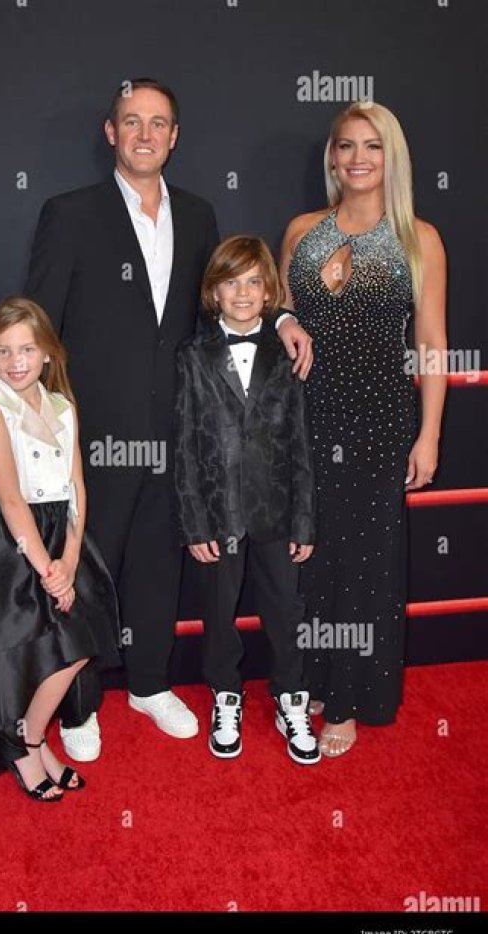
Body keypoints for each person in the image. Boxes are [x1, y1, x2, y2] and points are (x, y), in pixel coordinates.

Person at [26, 78, 313, 760]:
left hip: (180, 433)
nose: (145, 134)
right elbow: (40, 323)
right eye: (132, 121)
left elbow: (224, 299)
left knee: (158, 563)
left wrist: (281, 316)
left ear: (175, 136)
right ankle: (79, 704)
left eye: (158, 123)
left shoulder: (198, 213)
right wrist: (47, 424)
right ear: (111, 133)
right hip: (95, 433)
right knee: (87, 568)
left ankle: (150, 683)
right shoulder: (69, 213)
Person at [280, 101, 447, 756]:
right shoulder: (301, 231)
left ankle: (349, 699)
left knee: (364, 563)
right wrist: (284, 322)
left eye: (372, 146)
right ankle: (314, 680)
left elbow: (431, 345)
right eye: (346, 145)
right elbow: (277, 314)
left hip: (379, 421)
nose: (357, 158)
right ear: (332, 157)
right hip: (306, 417)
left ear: (391, 157)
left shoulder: (418, 240)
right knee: (312, 555)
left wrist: (429, 435)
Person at [0, 298, 121, 801]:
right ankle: (26, 744)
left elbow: (77, 486)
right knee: (40, 656)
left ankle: (30, 737)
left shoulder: (63, 406)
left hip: (64, 540)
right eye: (3, 351)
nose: (16, 361)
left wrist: (70, 557)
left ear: (47, 352)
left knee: (75, 650)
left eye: (26, 348)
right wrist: (48, 570)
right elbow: (10, 500)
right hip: (14, 544)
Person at [174, 236, 320, 764]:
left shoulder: (288, 353)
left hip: (277, 511)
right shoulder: (193, 356)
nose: (242, 293)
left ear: (269, 292)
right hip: (218, 513)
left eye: (254, 282)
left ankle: (290, 697)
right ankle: (226, 694)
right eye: (231, 282)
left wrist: (304, 521)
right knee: (219, 611)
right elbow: (185, 445)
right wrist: (194, 523)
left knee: (285, 610)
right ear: (213, 292)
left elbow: (300, 442)